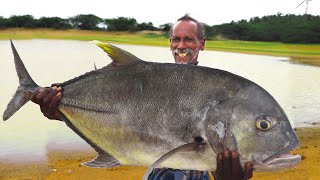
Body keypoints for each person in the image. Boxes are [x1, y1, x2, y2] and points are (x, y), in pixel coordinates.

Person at [31, 14, 253, 180]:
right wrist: (63, 112)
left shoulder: (214, 91)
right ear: (170, 44)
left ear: (202, 44)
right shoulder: (154, 82)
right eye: (176, 39)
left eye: (189, 39)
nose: (181, 46)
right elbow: (124, 119)